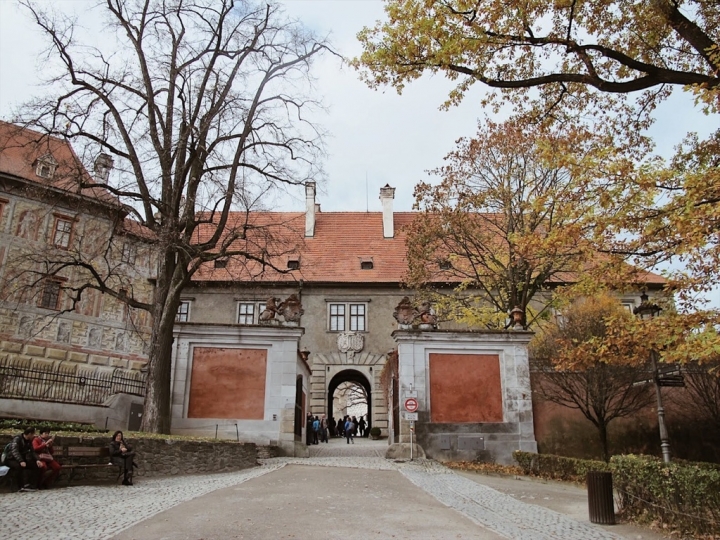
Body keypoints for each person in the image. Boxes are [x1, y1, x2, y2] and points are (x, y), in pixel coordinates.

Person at [5, 427, 43, 491]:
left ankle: (32, 485)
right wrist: (21, 461)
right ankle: (20, 486)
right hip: (12, 459)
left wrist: (37, 460)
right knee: (19, 467)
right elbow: (15, 451)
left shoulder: (29, 441)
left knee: (35, 466)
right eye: (33, 434)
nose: (34, 436)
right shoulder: (17, 439)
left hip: (23, 459)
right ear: (30, 434)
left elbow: (32, 451)